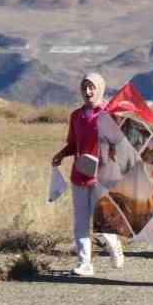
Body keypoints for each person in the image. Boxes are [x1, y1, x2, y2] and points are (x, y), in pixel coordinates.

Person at [49, 72, 126, 277]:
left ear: (100, 89)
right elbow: (73, 143)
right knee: (80, 221)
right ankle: (84, 263)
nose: (88, 91)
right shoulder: (76, 116)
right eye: (85, 88)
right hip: (80, 173)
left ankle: (114, 245)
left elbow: (120, 142)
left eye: (92, 87)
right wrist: (61, 155)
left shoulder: (109, 115)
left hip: (103, 175)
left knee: (101, 222)